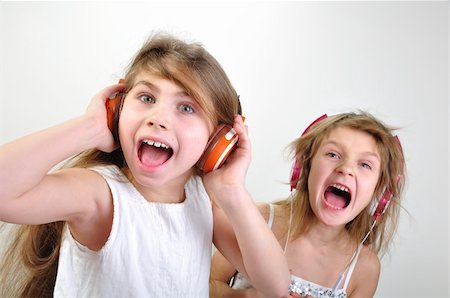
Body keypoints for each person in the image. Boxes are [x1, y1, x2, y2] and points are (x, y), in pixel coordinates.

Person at [0, 33, 290, 297]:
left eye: (186, 107)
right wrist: (89, 128)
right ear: (117, 112)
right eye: (147, 98)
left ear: (217, 140)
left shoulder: (205, 203)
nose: (158, 117)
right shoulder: (101, 195)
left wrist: (232, 191)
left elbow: (274, 285)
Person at [210, 112, 406, 298]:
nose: (346, 169)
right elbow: (204, 285)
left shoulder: (365, 268)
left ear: (380, 193)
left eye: (365, 165)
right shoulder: (260, 220)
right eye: (333, 154)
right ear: (304, 167)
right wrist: (249, 296)